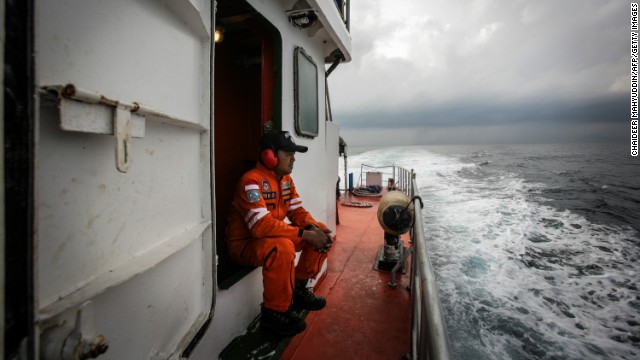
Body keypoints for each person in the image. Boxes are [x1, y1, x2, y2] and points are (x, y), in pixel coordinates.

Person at [226, 131, 333, 337]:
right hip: (245, 245)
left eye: (295, 154)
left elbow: (297, 212)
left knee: (319, 228)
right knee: (283, 247)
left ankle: (299, 288)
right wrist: (306, 235)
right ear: (270, 155)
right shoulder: (251, 181)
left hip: (268, 238)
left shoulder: (285, 181)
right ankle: (274, 314)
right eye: (288, 153)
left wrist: (314, 229)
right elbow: (260, 226)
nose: (294, 159)